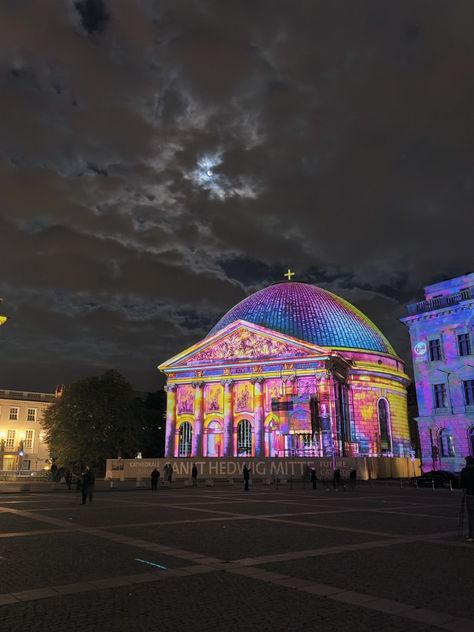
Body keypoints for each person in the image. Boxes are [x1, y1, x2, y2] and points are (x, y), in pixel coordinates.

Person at [460, 456, 474, 542]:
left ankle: (471, 535)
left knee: (471, 516)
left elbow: (463, 484)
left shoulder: (464, 471)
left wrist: (463, 495)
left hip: (470, 495)